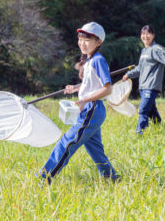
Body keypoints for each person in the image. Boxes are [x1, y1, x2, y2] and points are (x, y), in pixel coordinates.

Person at [38, 22, 120, 185]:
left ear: (98, 42)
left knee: (67, 143)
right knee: (95, 149)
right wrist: (76, 88)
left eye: (87, 40)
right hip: (92, 109)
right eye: (80, 39)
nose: (82, 43)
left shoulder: (98, 61)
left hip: (92, 109)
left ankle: (44, 178)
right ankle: (112, 178)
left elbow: (108, 89)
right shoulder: (90, 61)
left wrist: (85, 99)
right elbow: (93, 85)